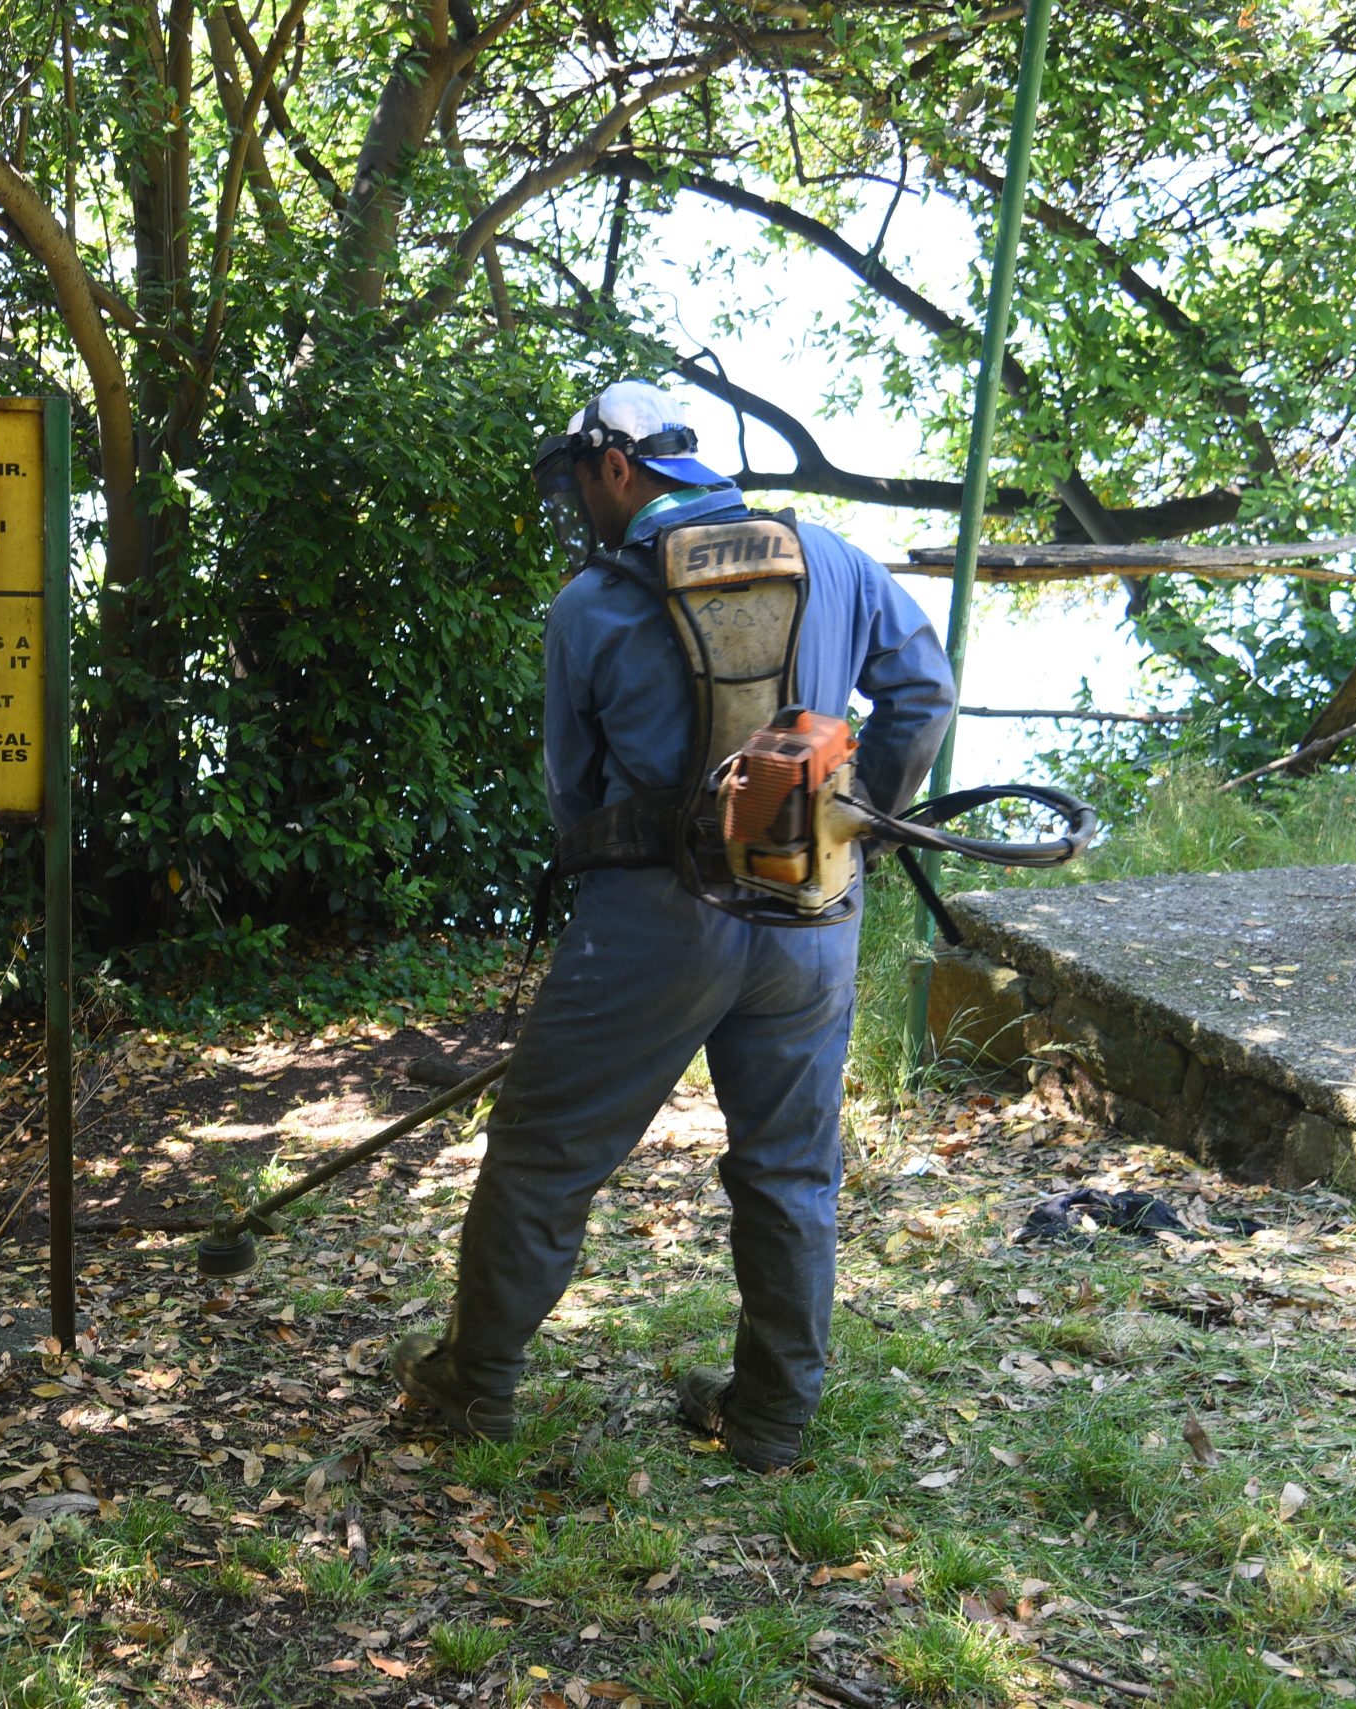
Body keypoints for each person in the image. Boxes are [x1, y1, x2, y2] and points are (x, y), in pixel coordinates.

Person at [391, 380, 956, 1471]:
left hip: (652, 919)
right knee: (792, 1169)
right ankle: (769, 1418)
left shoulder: (591, 603)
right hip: (809, 909)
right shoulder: (830, 555)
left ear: (614, 466)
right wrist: (853, 825)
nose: (578, 506)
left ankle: (473, 1389)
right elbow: (922, 694)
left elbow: (577, 791)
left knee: (546, 1155)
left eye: (578, 482)